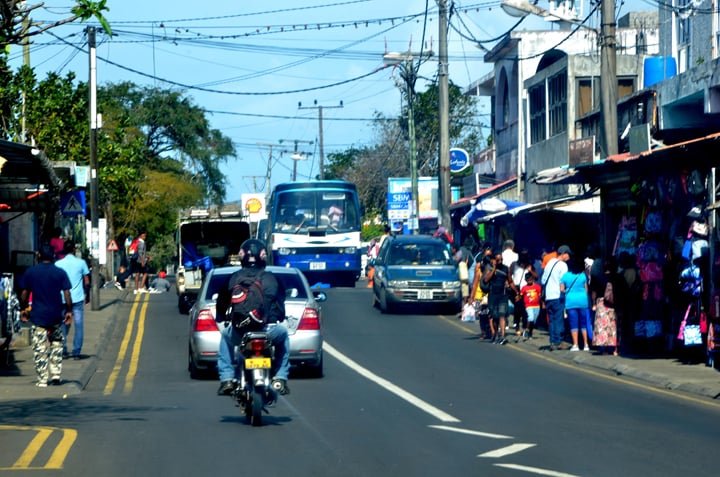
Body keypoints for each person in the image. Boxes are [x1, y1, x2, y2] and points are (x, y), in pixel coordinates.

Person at [216, 239, 290, 396]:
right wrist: (277, 316)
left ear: (242, 256)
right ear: (264, 256)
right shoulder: (272, 278)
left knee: (225, 336)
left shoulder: (233, 278)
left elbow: (221, 302)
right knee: (283, 336)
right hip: (267, 330)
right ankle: (281, 377)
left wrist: (221, 317)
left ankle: (227, 379)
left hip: (241, 332)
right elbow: (280, 304)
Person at [18, 244, 73, 387]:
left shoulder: (31, 272)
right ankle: (56, 374)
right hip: (56, 315)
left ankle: (42, 379)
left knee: (40, 347)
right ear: (53, 256)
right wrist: (68, 311)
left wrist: (23, 309)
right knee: (57, 344)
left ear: (39, 256)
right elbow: (67, 294)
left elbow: (24, 294)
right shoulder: (60, 272)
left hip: (38, 316)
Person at [55, 240, 90, 359]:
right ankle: (76, 352)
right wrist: (88, 295)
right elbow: (86, 281)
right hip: (78, 299)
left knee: (63, 324)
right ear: (74, 250)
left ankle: (63, 349)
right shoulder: (81, 263)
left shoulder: (58, 264)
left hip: (63, 298)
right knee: (79, 325)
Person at [541, 244, 571, 351]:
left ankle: (553, 342)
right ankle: (558, 342)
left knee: (552, 320)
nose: (569, 257)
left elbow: (543, 280)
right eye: (568, 254)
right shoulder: (563, 265)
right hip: (558, 295)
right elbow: (563, 282)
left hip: (548, 296)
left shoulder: (549, 263)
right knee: (558, 319)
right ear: (563, 254)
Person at [482, 252, 515, 345]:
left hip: (502, 295)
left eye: (501, 260)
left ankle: (502, 336)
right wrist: (494, 269)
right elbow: (486, 279)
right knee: (494, 316)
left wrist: (516, 292)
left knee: (502, 315)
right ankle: (495, 333)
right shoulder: (490, 268)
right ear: (494, 260)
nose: (499, 261)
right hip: (493, 295)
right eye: (497, 260)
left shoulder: (505, 268)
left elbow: (510, 281)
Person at [560, 255, 592, 351]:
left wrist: (568, 290)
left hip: (571, 302)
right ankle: (586, 344)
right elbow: (586, 290)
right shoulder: (583, 275)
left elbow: (562, 289)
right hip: (583, 301)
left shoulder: (565, 276)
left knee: (573, 323)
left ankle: (575, 344)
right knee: (583, 323)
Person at [592, 257, 619, 355]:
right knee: (612, 326)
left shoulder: (598, 277)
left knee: (601, 325)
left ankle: (602, 346)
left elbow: (594, 291)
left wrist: (594, 303)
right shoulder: (616, 277)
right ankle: (612, 347)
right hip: (612, 303)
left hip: (601, 302)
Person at [520, 272, 542, 340]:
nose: (529, 281)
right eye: (527, 280)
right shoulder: (524, 288)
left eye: (530, 279)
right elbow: (521, 295)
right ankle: (526, 329)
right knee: (531, 318)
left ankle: (530, 332)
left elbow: (540, 295)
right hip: (528, 305)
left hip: (536, 306)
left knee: (534, 321)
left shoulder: (537, 287)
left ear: (533, 279)